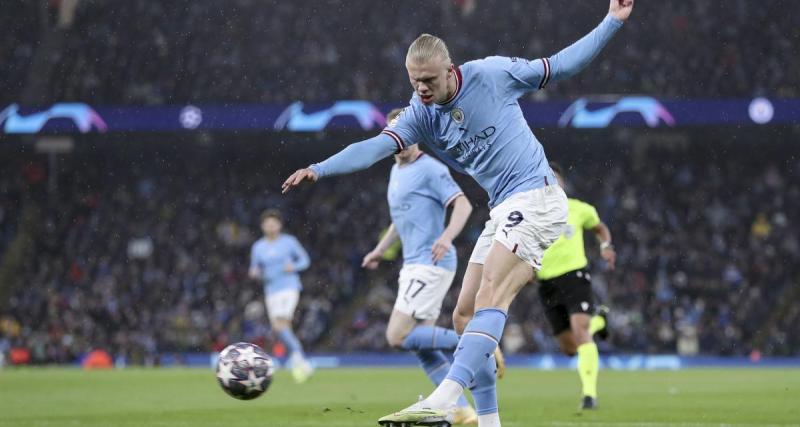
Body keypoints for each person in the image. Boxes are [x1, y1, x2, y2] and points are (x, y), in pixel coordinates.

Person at [282, 2, 634, 424]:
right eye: (415, 82)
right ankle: (488, 422)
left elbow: (559, 66)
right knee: (463, 314)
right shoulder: (420, 115)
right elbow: (374, 147)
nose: (422, 90)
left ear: (450, 69)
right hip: (502, 208)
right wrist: (319, 168)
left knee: (491, 296)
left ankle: (446, 397)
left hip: (536, 198)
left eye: (429, 80)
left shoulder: (491, 75)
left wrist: (612, 21)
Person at [361, 108, 478, 424]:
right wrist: (379, 250)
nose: (400, 142)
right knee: (424, 348)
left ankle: (479, 341)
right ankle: (461, 411)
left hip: (430, 263)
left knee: (396, 336)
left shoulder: (430, 168)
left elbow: (463, 204)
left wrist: (446, 236)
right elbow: (398, 221)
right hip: (413, 265)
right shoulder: (395, 172)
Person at [536, 163, 615, 410]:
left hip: (574, 276)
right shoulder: (533, 213)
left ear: (563, 183)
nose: (552, 182)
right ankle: (600, 321)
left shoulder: (579, 209)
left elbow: (600, 229)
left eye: (555, 178)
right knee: (569, 348)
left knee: (581, 333)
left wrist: (605, 247)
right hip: (545, 282)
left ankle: (589, 395)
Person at [249, 209, 314, 383]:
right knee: (280, 328)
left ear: (279, 225)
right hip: (270, 291)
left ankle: (300, 359)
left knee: (280, 324)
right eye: (267, 223)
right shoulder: (258, 247)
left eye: (274, 223)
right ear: (263, 226)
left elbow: (305, 260)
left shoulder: (289, 242)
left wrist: (294, 266)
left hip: (289, 287)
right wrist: (255, 273)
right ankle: (298, 360)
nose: (270, 226)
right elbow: (254, 269)